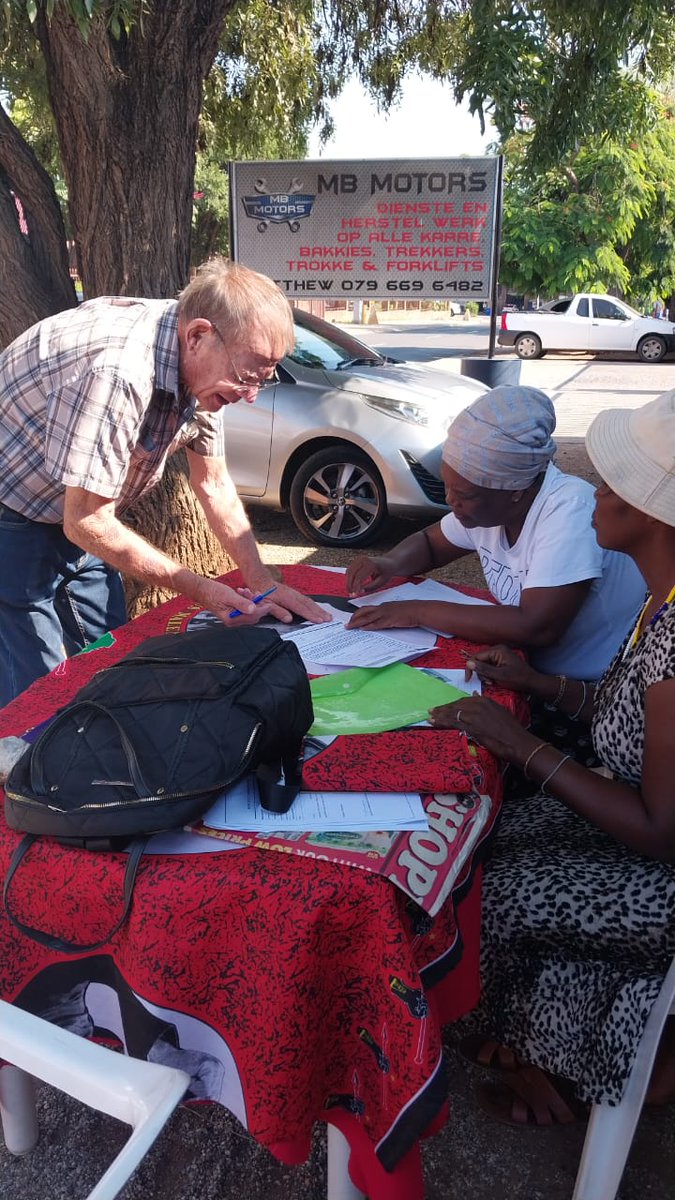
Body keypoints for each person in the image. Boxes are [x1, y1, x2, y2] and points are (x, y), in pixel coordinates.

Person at [427, 388, 675, 1125]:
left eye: (613, 486)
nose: (593, 493)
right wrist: (540, 686)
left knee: (490, 894)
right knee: (476, 845)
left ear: (654, 517)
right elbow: (627, 717)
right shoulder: (659, 600)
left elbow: (659, 830)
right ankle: (534, 1038)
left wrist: (520, 745)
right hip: (638, 818)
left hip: (663, 871)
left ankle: (580, 1059)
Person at [0, 258, 329, 706]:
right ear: (197, 336)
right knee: (35, 687)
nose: (250, 395)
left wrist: (260, 580)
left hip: (78, 509)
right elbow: (86, 521)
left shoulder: (206, 366)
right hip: (13, 509)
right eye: (245, 377)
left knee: (109, 656)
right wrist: (204, 590)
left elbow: (213, 483)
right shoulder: (119, 372)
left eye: (262, 381)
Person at [346, 387, 645, 768]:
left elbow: (536, 626)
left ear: (514, 492)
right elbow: (432, 543)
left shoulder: (569, 511)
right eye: (447, 485)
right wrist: (388, 562)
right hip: (530, 673)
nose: (450, 500)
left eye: (464, 494)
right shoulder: (486, 507)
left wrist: (416, 610)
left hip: (590, 701)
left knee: (456, 752)